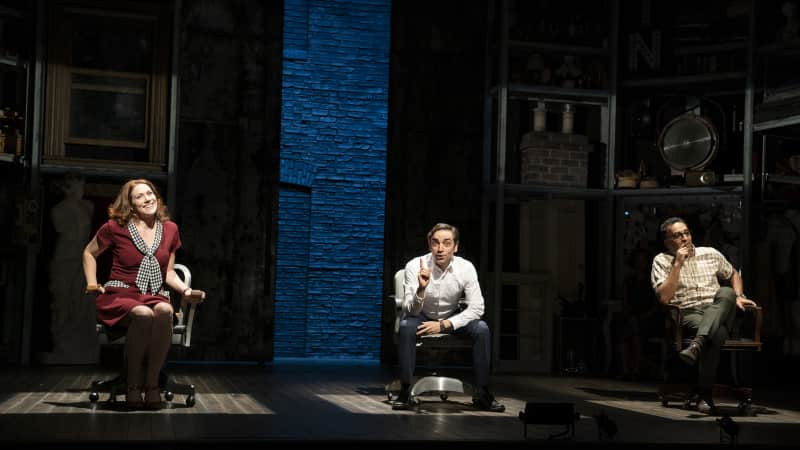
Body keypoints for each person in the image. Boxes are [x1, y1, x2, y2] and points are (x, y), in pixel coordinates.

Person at [82, 179, 205, 409]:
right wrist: (91, 282)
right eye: (139, 196)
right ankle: (132, 385)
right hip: (120, 293)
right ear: (129, 204)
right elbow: (89, 253)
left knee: (165, 309)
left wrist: (186, 291)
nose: (147, 199)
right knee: (142, 314)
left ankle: (151, 385)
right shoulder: (114, 227)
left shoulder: (170, 230)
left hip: (154, 293)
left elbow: (168, 273)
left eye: (150, 194)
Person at [393, 223, 504, 412]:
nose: (440, 248)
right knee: (405, 326)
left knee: (482, 329)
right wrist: (421, 288)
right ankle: (405, 390)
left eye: (446, 243)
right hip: (421, 315)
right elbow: (411, 310)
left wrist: (445, 325)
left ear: (456, 246)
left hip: (451, 316)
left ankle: (484, 392)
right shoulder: (414, 265)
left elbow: (478, 307)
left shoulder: (466, 268)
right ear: (429, 245)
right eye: (435, 243)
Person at [650, 217, 757, 410]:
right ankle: (704, 394)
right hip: (689, 313)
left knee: (726, 292)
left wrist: (739, 295)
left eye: (686, 233)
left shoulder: (710, 253)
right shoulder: (661, 260)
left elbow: (733, 274)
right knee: (717, 334)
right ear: (667, 242)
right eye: (677, 236)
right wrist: (677, 265)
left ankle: (697, 344)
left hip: (720, 309)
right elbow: (664, 298)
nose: (684, 238)